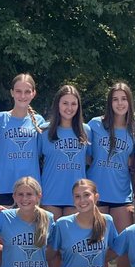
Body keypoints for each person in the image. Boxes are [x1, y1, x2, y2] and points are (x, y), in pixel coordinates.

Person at [0, 73, 46, 208]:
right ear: (12, 92)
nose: (22, 96)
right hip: (2, 185)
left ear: (33, 93)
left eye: (27, 92)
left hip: (30, 187)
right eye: (18, 91)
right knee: (0, 228)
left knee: (27, 228)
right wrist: (4, 154)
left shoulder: (39, 121)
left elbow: (41, 152)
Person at [87, 82, 135, 232]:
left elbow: (133, 165)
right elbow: (87, 157)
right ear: (110, 103)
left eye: (124, 99)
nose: (120, 103)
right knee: (97, 242)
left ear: (129, 102)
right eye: (115, 99)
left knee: (122, 245)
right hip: (96, 193)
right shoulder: (96, 125)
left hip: (121, 196)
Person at [38, 84, 89, 217]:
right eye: (65, 103)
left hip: (77, 196)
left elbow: (91, 159)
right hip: (50, 194)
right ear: (57, 104)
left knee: (72, 237)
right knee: (51, 237)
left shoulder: (86, 130)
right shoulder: (44, 131)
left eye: (73, 104)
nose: (69, 108)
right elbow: (33, 161)